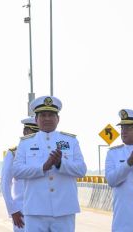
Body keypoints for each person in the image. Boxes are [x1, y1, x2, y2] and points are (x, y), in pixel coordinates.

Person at [11, 96, 87, 232]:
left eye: (51, 115)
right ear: (36, 120)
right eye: (42, 115)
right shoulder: (26, 143)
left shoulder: (70, 141)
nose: (47, 118)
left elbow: (81, 170)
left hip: (64, 209)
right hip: (36, 210)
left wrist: (60, 164)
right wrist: (42, 167)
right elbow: (17, 171)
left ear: (58, 119)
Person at [2, 117, 39, 230]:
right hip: (22, 210)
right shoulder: (13, 154)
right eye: (35, 132)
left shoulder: (46, 152)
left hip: (44, 209)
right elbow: (5, 184)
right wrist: (13, 210)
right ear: (25, 132)